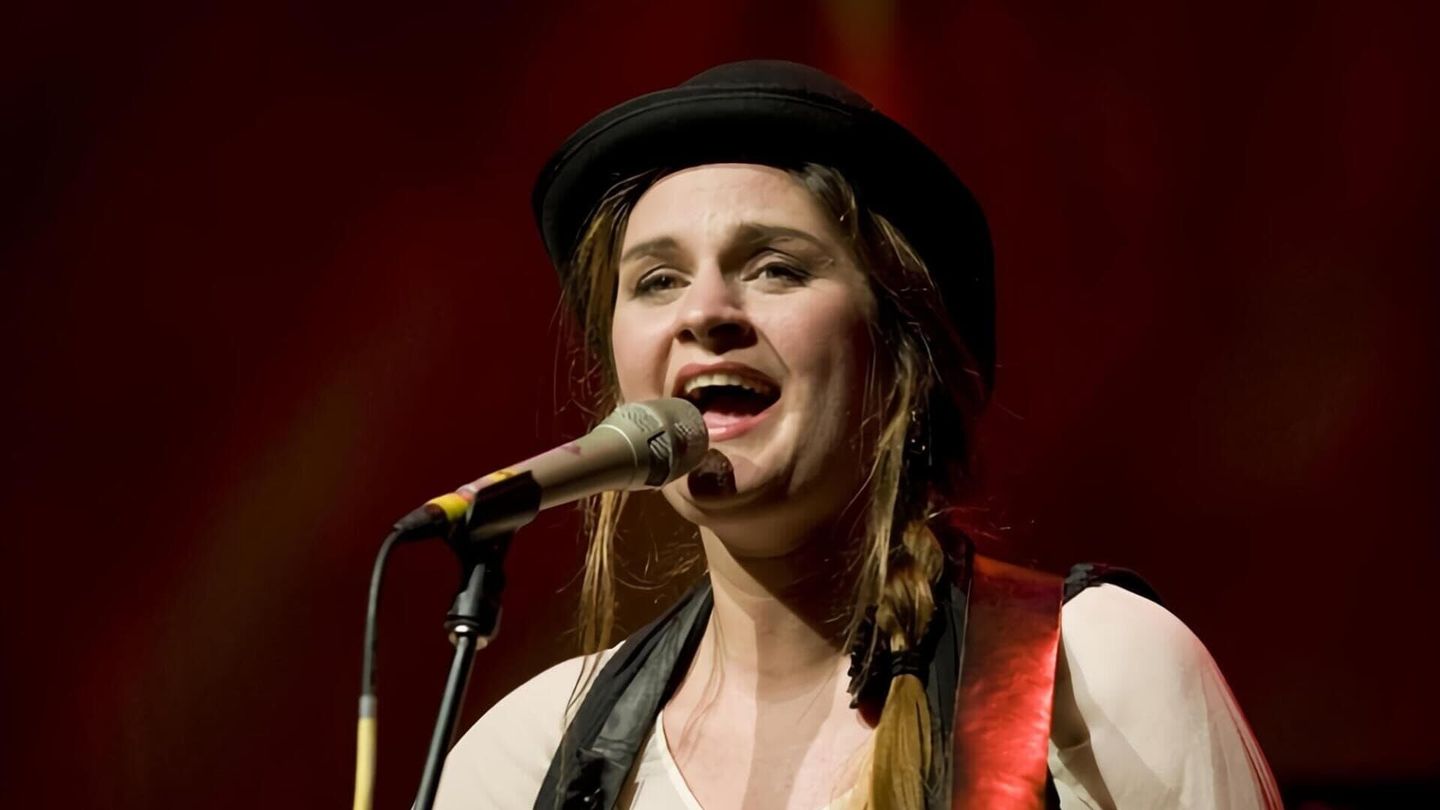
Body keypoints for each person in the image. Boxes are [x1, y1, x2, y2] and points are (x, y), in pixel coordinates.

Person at [434, 60, 1281, 810]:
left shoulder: (1093, 676)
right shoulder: (522, 763)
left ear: (899, 345)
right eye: (657, 280)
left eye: (775, 267)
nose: (704, 314)